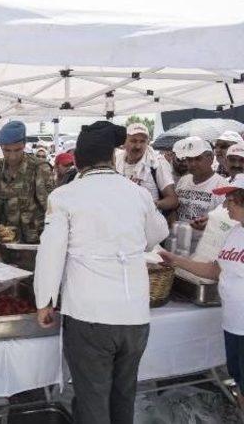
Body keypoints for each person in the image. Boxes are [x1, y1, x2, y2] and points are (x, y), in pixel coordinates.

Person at [34, 121, 169, 424]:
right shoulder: (137, 193)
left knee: (93, 398)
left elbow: (50, 255)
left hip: (90, 314)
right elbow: (155, 233)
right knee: (124, 395)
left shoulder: (65, 196)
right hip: (134, 314)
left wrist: (44, 301)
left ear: (78, 161)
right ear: (111, 157)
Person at [160, 174, 244, 411]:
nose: (226, 207)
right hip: (232, 325)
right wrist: (177, 261)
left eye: (232, 201)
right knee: (239, 382)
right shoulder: (234, 233)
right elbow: (214, 270)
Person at [0, 120, 55, 246]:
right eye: (7, 150)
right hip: (3, 240)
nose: (12, 156)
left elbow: (51, 210)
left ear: (24, 145)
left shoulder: (39, 168)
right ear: (1, 147)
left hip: (32, 244)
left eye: (17, 150)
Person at [174, 136, 229, 253]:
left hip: (205, 251)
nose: (192, 164)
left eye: (198, 159)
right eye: (189, 159)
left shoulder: (222, 185)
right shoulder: (183, 180)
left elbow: (228, 221)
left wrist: (211, 223)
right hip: (178, 247)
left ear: (210, 158)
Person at [116, 123, 179, 213]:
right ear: (124, 141)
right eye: (133, 141)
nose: (138, 146)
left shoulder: (157, 163)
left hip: (148, 222)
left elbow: (173, 200)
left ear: (148, 142)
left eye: (142, 141)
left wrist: (153, 205)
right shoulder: (116, 160)